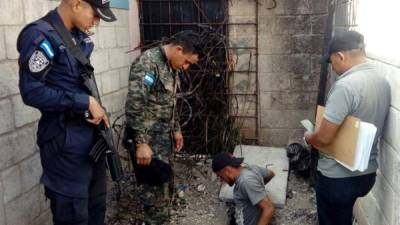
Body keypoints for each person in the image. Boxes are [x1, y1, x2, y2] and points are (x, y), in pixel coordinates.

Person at [17, 0, 116, 224]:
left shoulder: (77, 36)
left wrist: (96, 107)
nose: (97, 22)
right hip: (65, 144)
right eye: (95, 14)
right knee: (73, 215)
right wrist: (83, 102)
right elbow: (31, 92)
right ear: (77, 4)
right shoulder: (40, 36)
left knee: (96, 209)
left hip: (91, 142)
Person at [304, 30, 391, 225]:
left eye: (332, 61)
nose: (332, 68)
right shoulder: (382, 81)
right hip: (366, 174)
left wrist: (309, 137)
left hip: (338, 178)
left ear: (340, 56)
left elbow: (324, 138)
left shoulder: (345, 86)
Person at [124, 30, 201, 225]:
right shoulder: (148, 64)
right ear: (178, 49)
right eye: (187, 62)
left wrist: (175, 129)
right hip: (147, 144)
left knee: (165, 189)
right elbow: (135, 105)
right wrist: (141, 143)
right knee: (155, 196)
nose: (185, 68)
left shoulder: (170, 65)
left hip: (162, 141)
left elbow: (168, 101)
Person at [212, 152, 276, 225]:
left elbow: (269, 209)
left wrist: (256, 190)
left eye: (221, 176)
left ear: (227, 170)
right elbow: (271, 174)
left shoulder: (246, 181)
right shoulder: (251, 168)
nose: (221, 180)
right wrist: (258, 192)